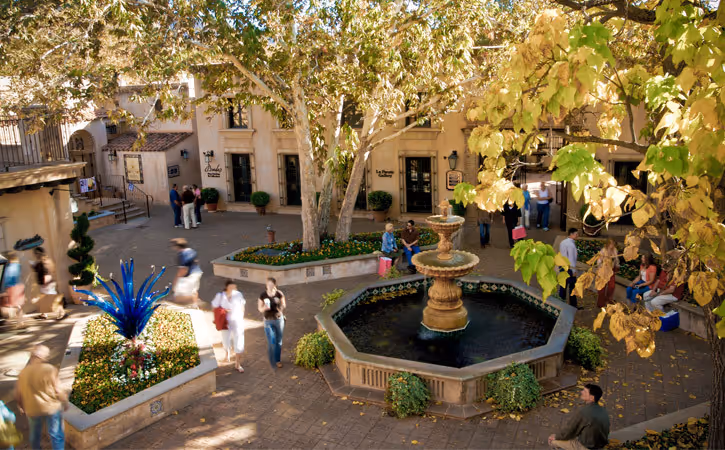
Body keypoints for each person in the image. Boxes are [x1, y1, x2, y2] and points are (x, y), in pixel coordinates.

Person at [16, 344, 67, 450]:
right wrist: (65, 402)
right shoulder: (49, 369)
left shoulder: (23, 373)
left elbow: (19, 394)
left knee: (35, 434)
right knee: (56, 434)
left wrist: (21, 406)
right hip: (51, 407)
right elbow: (58, 389)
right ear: (44, 357)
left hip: (32, 408)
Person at [549, 384, 610, 450]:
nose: (581, 392)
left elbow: (570, 430)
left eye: (585, 391)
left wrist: (556, 437)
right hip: (600, 445)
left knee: (553, 442)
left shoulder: (584, 412)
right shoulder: (603, 410)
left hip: (586, 447)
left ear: (591, 398)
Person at [211, 280, 246, 372]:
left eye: (234, 287)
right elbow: (214, 306)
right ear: (227, 287)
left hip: (237, 322)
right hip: (225, 323)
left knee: (239, 342)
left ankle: (237, 364)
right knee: (226, 340)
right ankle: (227, 353)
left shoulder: (238, 294)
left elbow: (242, 305)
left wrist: (241, 315)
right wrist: (222, 312)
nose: (233, 289)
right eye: (231, 287)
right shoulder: (220, 296)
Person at [258, 277, 286, 369]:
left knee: (279, 341)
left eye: (271, 284)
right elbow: (260, 308)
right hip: (268, 320)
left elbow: (284, 305)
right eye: (268, 284)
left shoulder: (279, 294)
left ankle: (277, 360)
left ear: (274, 285)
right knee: (272, 341)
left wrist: (279, 305)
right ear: (266, 285)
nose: (269, 286)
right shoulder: (263, 295)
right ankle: (272, 358)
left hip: (278, 319)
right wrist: (264, 308)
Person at [30, 247, 65, 320]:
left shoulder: (45, 262)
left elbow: (47, 272)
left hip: (47, 283)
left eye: (36, 253)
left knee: (54, 299)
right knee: (44, 299)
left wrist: (45, 281)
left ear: (39, 254)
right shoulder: (42, 262)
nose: (35, 255)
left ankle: (61, 312)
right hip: (46, 283)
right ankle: (44, 314)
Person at [170, 238, 203, 308]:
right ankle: (195, 304)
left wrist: (176, 280)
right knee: (194, 290)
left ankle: (192, 302)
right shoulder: (192, 251)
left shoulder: (181, 255)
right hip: (197, 272)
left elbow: (183, 270)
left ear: (177, 246)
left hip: (189, 275)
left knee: (178, 294)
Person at [1, 251, 26, 329]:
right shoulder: (18, 265)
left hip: (12, 288)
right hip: (19, 286)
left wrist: (4, 289)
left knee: (9, 306)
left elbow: (7, 278)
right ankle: (20, 322)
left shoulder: (9, 267)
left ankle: (14, 319)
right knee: (19, 306)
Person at [559, 228, 580, 308]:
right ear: (571, 234)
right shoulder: (571, 245)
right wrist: (574, 270)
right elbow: (571, 259)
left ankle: (562, 302)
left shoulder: (563, 242)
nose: (577, 236)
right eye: (576, 234)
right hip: (569, 268)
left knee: (563, 284)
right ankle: (573, 305)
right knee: (572, 286)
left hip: (562, 266)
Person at [596, 239, 620, 308]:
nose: (612, 246)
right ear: (608, 244)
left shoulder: (615, 250)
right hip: (603, 271)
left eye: (613, 244)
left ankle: (608, 300)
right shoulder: (603, 251)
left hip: (611, 271)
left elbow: (616, 259)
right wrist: (601, 267)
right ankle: (601, 303)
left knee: (611, 286)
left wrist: (617, 266)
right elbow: (599, 261)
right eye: (611, 244)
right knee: (602, 287)